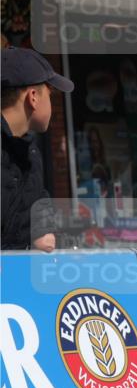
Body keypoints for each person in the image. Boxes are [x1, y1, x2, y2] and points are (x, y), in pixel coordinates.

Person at [1, 47, 75, 251]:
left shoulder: (29, 152)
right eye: (50, 95)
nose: (51, 103)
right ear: (33, 97)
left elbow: (35, 207)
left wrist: (43, 231)